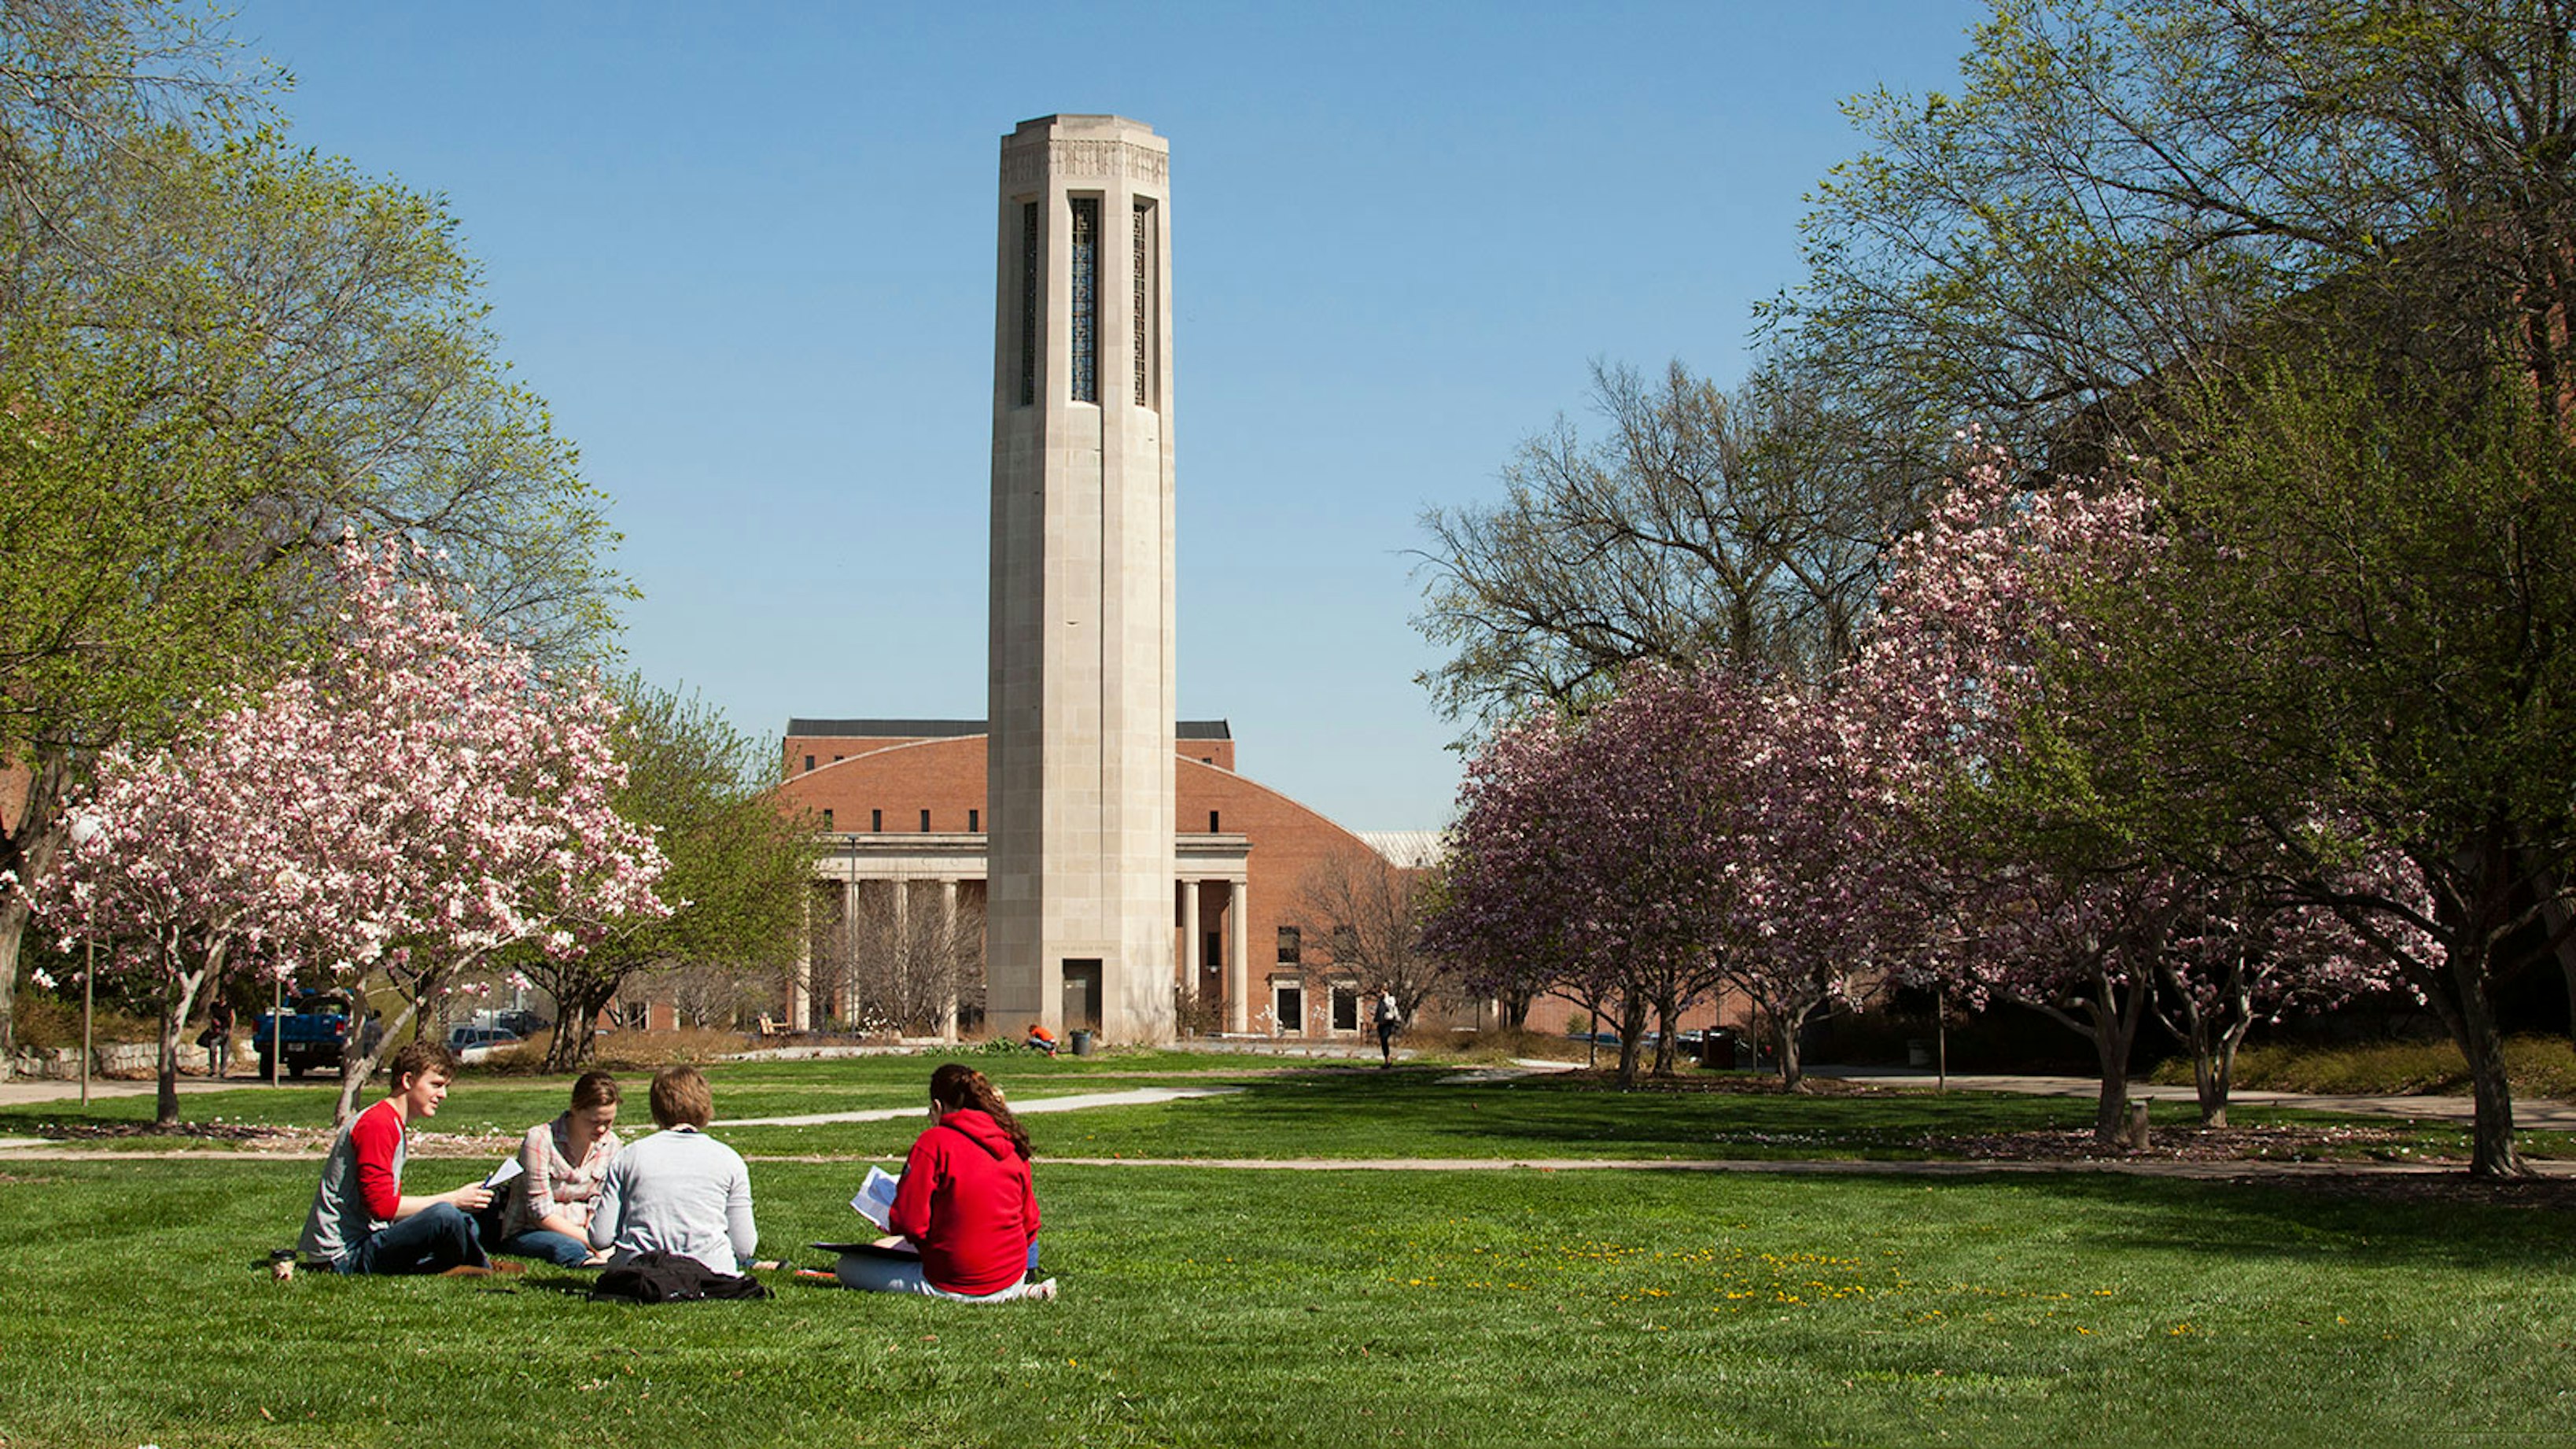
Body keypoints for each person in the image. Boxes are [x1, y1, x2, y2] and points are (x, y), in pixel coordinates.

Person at [835, 1063, 1054, 1303]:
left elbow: (910, 1223)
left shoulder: (934, 1143)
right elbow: (1029, 1222)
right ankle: (1020, 1291)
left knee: (848, 1267)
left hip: (953, 1280)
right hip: (1011, 1277)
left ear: (938, 1107)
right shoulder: (1011, 1142)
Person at [299, 1040, 508, 1277]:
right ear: (408, 1080)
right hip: (344, 1255)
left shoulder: (391, 1122)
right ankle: (476, 1266)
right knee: (445, 1216)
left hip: (370, 1237)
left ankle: (455, 1263)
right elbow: (382, 1207)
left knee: (463, 1221)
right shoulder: (378, 1124)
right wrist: (455, 1199)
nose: (443, 1095)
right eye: (436, 1085)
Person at [589, 1065, 757, 1275]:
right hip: (712, 1272)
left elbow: (601, 1237)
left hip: (638, 1271)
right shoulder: (730, 1160)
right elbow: (744, 1247)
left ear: (656, 1108)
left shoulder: (629, 1156)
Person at [492, 1071, 624, 1267]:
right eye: (594, 1122)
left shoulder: (612, 1145)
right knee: (565, 1246)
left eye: (608, 1122)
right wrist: (592, 1242)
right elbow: (539, 1214)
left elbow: (600, 1203)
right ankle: (584, 1261)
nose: (602, 1130)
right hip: (532, 1231)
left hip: (587, 1230)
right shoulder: (540, 1140)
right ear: (575, 1109)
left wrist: (598, 1236)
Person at [203, 996, 235, 1078]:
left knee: (225, 1051)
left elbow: (233, 1017)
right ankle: (213, 1069)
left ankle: (223, 1070)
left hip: (226, 1029)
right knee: (212, 1049)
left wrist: (231, 1030)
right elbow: (210, 1016)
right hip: (215, 1030)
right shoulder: (213, 1006)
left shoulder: (229, 1006)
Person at [1375, 992, 1402, 1068]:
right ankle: (1387, 1059)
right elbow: (1379, 1012)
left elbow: (1392, 1008)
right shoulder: (1380, 1002)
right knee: (1383, 1041)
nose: (1381, 992)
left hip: (1388, 1023)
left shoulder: (1390, 1000)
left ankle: (1388, 1059)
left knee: (1384, 1038)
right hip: (1381, 1023)